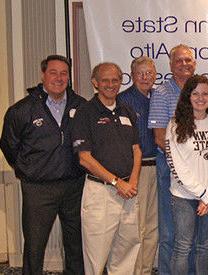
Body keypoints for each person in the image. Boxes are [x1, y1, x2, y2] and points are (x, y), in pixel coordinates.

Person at [0, 54, 86, 275]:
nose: (59, 78)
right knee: (35, 246)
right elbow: (9, 145)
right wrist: (26, 169)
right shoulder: (22, 110)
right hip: (38, 189)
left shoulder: (81, 106)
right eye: (53, 72)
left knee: (76, 243)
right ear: (43, 75)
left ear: (69, 77)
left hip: (74, 185)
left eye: (64, 73)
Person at [72, 62, 142, 274]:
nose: (111, 85)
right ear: (95, 83)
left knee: (126, 252)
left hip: (128, 191)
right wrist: (116, 182)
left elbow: (137, 150)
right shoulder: (85, 112)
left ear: (121, 82)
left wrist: (132, 182)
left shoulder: (126, 109)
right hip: (101, 192)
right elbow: (84, 158)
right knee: (96, 256)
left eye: (115, 80)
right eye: (105, 80)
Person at [165, 75, 208, 274]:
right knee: (183, 247)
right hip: (183, 197)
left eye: (205, 94)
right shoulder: (175, 124)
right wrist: (202, 194)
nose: (201, 98)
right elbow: (176, 165)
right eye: (195, 93)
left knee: (204, 247)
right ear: (187, 97)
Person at [148, 44, 197, 275]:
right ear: (171, 65)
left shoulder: (200, 91)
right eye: (179, 60)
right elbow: (159, 138)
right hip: (170, 169)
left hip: (198, 169)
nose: (184, 64)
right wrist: (182, 164)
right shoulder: (161, 93)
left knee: (193, 230)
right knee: (169, 230)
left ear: (194, 64)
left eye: (188, 60)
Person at [116, 56, 159, 275]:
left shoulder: (158, 98)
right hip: (136, 170)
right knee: (136, 226)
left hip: (157, 168)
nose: (145, 77)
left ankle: (146, 269)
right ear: (131, 76)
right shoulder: (122, 101)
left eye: (149, 73)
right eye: (140, 73)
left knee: (152, 226)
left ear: (155, 75)